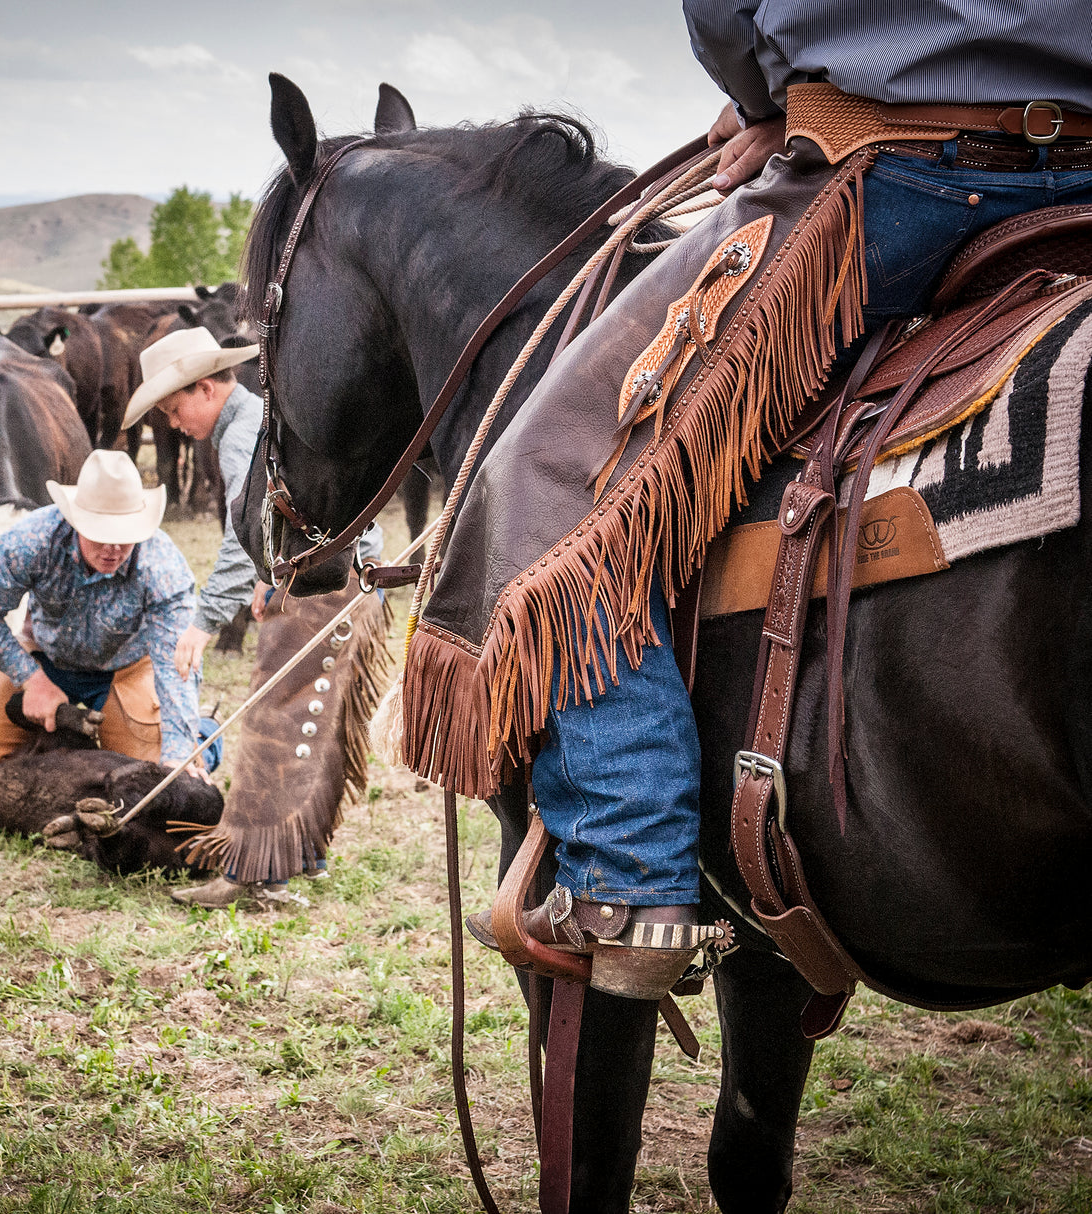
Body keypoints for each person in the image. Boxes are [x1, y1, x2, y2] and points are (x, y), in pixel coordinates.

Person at [463, 1, 1092, 1001]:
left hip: (900, 180)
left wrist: (768, 98)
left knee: (547, 475)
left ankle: (626, 880)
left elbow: (727, 15)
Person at [121, 326, 391, 908]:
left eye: (174, 408)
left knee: (277, 721)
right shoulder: (268, 420)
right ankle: (301, 854)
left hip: (322, 583)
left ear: (208, 388)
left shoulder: (245, 432)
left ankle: (256, 874)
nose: (173, 424)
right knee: (318, 719)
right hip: (354, 580)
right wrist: (267, 578)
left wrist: (204, 618)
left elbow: (247, 529)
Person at [0, 449, 205, 781]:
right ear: (77, 521)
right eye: (101, 534)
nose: (113, 549)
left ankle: (202, 731)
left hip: (127, 670)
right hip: (44, 658)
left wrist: (178, 754)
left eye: (125, 536)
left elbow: (174, 663)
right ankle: (49, 736)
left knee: (154, 778)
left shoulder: (162, 565)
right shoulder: (34, 539)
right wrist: (31, 678)